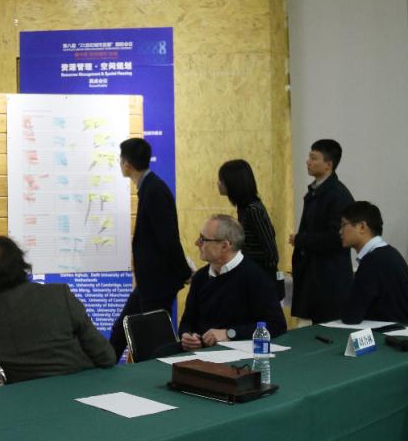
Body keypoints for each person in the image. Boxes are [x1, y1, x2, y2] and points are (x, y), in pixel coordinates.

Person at [0, 236, 115, 383]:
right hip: (79, 392)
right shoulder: (59, 295)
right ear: (21, 265)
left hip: (13, 401)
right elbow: (106, 357)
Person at [108, 138, 191, 360]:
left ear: (127, 164)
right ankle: (104, 365)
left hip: (157, 282)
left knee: (153, 338)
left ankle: (159, 373)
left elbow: (168, 238)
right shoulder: (149, 187)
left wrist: (184, 272)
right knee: (122, 328)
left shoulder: (154, 190)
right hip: (149, 282)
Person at [179, 215, 287, 350]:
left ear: (225, 245)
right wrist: (187, 335)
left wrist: (229, 333)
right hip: (202, 351)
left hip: (239, 352)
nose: (197, 243)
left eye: (203, 239)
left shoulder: (256, 277)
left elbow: (276, 325)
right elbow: (187, 321)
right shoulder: (200, 277)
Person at [289, 138, 354, 324]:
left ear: (328, 164)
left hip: (329, 278)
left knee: (328, 328)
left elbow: (337, 237)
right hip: (314, 275)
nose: (308, 161)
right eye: (309, 157)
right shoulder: (316, 191)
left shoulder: (338, 195)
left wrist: (301, 240)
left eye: (313, 158)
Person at [338, 201, 408, 325]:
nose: (340, 231)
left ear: (362, 227)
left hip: (386, 333)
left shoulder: (372, 261)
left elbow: (351, 316)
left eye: (343, 225)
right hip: (402, 329)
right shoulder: (390, 253)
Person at [218, 159, 283, 301]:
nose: (218, 184)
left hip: (262, 280)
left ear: (233, 183)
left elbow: (271, 254)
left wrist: (237, 255)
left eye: (221, 180)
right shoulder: (243, 208)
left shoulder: (253, 209)